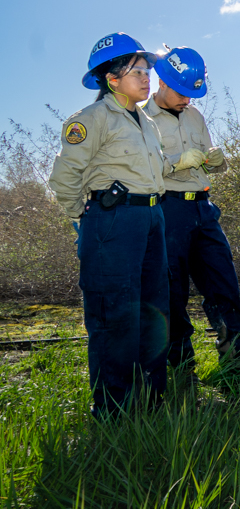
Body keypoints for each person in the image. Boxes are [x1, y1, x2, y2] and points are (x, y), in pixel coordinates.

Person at [48, 33, 205, 417]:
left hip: (153, 215)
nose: (147, 77)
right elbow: (65, 179)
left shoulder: (146, 122)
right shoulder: (91, 120)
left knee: (154, 311)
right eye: (137, 71)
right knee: (113, 315)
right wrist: (82, 221)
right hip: (113, 220)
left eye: (147, 69)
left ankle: (151, 402)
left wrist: (182, 162)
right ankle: (114, 411)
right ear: (112, 79)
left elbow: (152, 168)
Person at [144, 47, 240, 383]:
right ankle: (180, 368)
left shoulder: (195, 117)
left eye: (194, 93)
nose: (188, 100)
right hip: (166, 209)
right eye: (182, 92)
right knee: (171, 292)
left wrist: (214, 161)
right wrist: (176, 162)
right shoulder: (140, 120)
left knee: (224, 284)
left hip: (202, 207)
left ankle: (236, 363)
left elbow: (204, 158)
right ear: (161, 81)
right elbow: (139, 171)